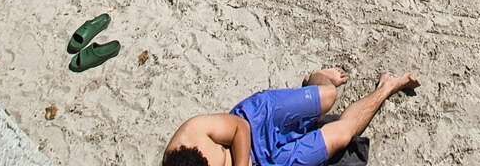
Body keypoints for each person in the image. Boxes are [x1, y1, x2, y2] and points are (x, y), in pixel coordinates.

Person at [162, 69, 420, 166]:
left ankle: (316, 77)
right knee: (342, 135)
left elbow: (240, 127)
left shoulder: (192, 132)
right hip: (267, 163)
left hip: (257, 119)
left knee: (329, 95)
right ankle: (387, 87)